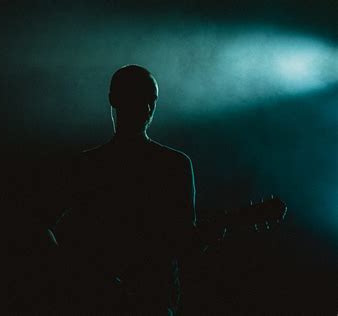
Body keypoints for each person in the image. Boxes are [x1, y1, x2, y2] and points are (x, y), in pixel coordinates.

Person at [45, 65, 285, 314]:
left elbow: (182, 242)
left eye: (151, 99)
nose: (148, 108)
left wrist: (77, 278)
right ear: (114, 99)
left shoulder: (88, 164)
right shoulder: (172, 165)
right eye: (140, 98)